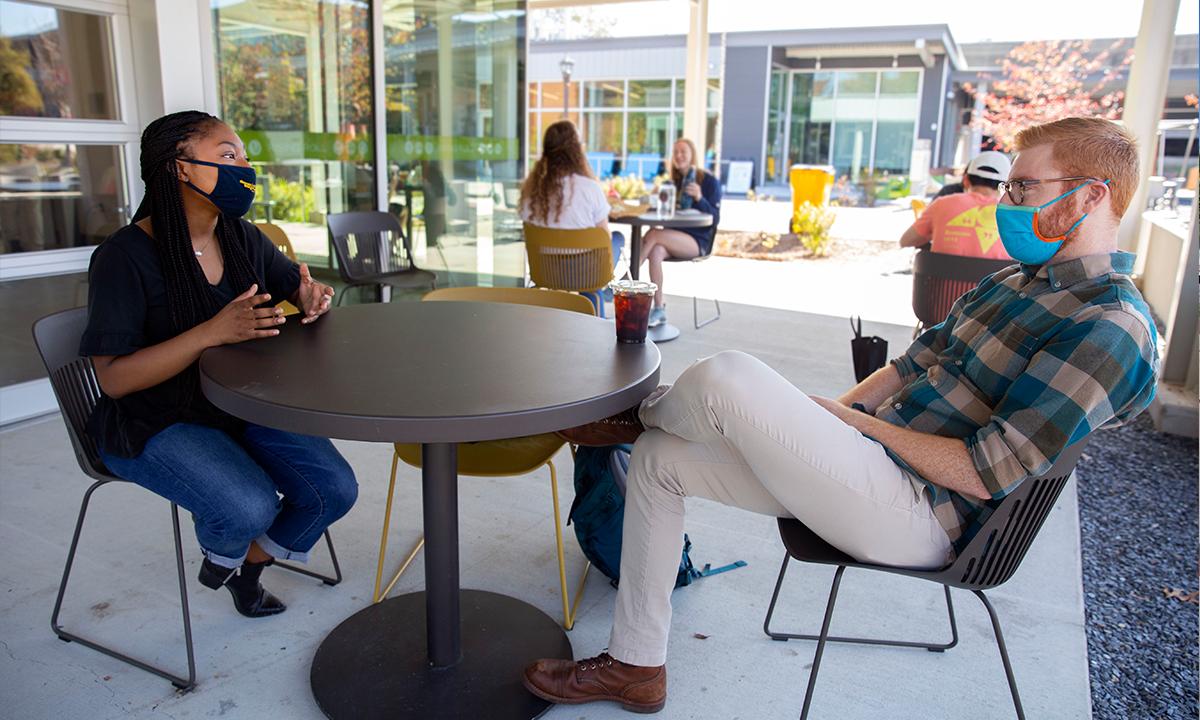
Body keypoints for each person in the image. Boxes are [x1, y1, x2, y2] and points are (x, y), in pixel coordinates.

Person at [525, 117, 1159, 713]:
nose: (1007, 202)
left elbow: (984, 472)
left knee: (727, 374)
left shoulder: (1109, 325)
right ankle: (637, 667)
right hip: (872, 471)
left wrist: (856, 425)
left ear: (1087, 197)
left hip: (926, 514)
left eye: (1024, 186)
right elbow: (914, 364)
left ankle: (640, 416)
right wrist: (842, 412)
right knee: (662, 462)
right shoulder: (1015, 283)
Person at [81, 111, 358, 618]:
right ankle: (230, 548)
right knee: (248, 505)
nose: (244, 169)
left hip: (238, 403)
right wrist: (210, 333)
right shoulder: (124, 257)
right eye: (228, 157)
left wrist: (310, 293)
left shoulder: (239, 235)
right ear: (178, 169)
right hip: (155, 418)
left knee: (334, 489)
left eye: (245, 157)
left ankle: (241, 565)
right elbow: (114, 379)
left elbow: (292, 286)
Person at [519, 119, 625, 289]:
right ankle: (596, 299)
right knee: (618, 238)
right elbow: (605, 236)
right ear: (576, 150)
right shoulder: (590, 188)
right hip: (588, 275)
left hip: (546, 272)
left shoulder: (531, 191)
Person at [640, 139, 722, 328]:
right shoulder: (672, 183)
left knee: (653, 235)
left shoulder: (709, 182)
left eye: (683, 151)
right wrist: (655, 199)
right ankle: (659, 308)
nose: (679, 155)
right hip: (673, 238)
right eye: (675, 152)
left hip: (698, 241)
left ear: (692, 154)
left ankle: (624, 281)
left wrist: (700, 198)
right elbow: (662, 211)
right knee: (655, 251)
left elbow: (715, 218)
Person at [900, 151, 1012, 259]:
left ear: (966, 180)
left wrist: (939, 230)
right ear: (1005, 186)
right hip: (993, 278)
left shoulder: (941, 204)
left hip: (939, 277)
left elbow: (905, 241)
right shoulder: (1010, 214)